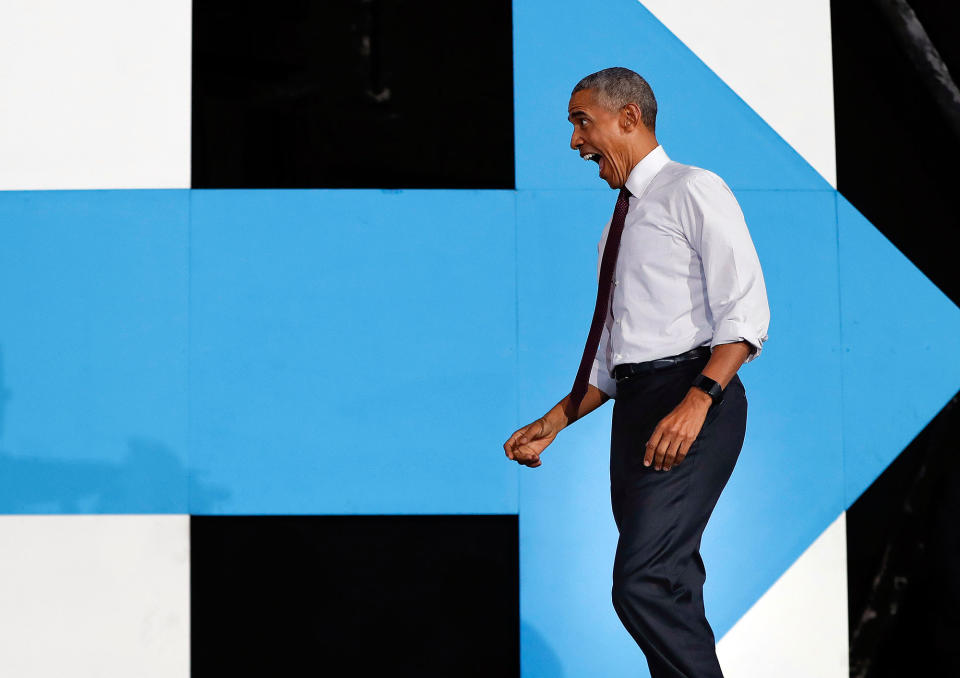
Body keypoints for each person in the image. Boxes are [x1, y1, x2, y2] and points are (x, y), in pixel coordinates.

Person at [503, 67, 770, 677]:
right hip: (640, 405)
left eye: (581, 121)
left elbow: (746, 312)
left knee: (641, 582)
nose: (574, 142)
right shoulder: (616, 226)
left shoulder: (693, 189)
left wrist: (699, 399)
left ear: (628, 117)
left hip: (692, 395)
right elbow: (613, 354)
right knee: (670, 582)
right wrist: (555, 421)